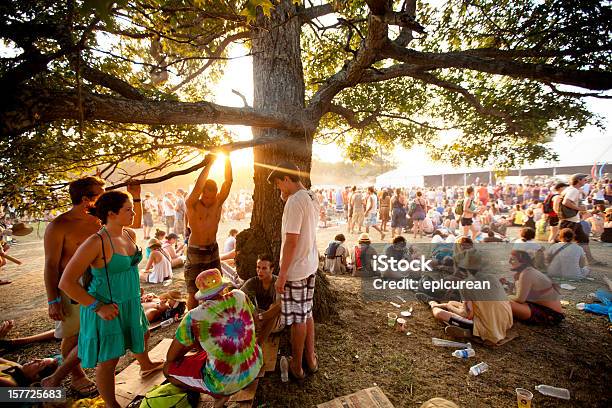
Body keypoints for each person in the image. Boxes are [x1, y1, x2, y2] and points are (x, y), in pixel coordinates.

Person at [59, 190, 163, 407]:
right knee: (109, 360)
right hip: (106, 307)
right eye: (128, 210)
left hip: (129, 300)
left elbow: (127, 269)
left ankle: (146, 364)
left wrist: (134, 289)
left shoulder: (128, 235)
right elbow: (66, 282)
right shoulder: (96, 242)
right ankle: (111, 404)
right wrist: (98, 307)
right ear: (111, 213)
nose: (134, 213)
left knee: (141, 334)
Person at [43, 176, 116, 396]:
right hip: (71, 285)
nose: (105, 197)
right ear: (86, 199)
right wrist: (53, 299)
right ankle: (76, 376)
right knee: (73, 335)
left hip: (97, 282)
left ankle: (72, 373)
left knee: (93, 329)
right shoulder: (58, 226)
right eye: (100, 194)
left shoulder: (98, 220)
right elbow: (51, 266)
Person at [163, 268, 263, 408]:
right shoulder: (239, 295)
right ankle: (236, 383)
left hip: (223, 383)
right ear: (223, 287)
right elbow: (256, 321)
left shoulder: (195, 316)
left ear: (202, 295)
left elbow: (171, 357)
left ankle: (220, 395)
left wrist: (193, 342)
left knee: (167, 369)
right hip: (254, 365)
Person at [267, 161, 319, 381]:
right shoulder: (311, 196)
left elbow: (290, 241)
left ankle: (297, 367)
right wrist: (285, 196)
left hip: (296, 269)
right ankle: (311, 358)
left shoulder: (294, 202)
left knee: (298, 318)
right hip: (310, 264)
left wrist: (283, 273)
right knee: (307, 312)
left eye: (279, 184)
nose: (279, 189)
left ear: (286, 179)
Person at [185, 153, 232, 310]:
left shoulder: (217, 203)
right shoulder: (192, 203)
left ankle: (217, 317)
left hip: (213, 249)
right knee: (193, 291)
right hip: (196, 250)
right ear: (201, 194)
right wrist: (209, 164)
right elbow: (198, 186)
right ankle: (191, 322)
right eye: (205, 196)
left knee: (217, 286)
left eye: (211, 197)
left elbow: (228, 181)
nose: (208, 200)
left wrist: (226, 156)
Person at [507, 250, 564, 325]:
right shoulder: (528, 270)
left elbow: (520, 299)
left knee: (501, 302)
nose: (509, 262)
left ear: (522, 261)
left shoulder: (527, 273)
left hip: (550, 314)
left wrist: (507, 296)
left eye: (512, 259)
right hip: (543, 308)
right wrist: (509, 284)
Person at [557, 173, 603, 265]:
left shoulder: (569, 189)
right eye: (584, 180)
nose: (586, 181)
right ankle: (552, 260)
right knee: (563, 242)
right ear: (578, 180)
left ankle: (590, 260)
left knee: (583, 240)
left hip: (572, 220)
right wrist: (579, 208)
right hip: (570, 221)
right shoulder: (574, 190)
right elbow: (566, 202)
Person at [242, 254, 283, 344]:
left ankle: (258, 345)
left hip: (275, 322)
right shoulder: (253, 282)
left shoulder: (277, 283)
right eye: (258, 267)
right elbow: (239, 295)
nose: (260, 271)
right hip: (257, 318)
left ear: (271, 269)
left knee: (274, 308)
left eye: (264, 268)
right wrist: (253, 313)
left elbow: (279, 306)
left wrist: (261, 317)